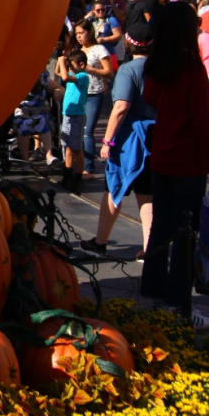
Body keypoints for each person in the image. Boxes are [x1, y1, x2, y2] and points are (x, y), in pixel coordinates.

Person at [139, 2, 209, 320]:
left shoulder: (157, 66)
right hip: (189, 165)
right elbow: (205, 128)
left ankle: (153, 296)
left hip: (161, 159)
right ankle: (179, 305)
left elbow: (149, 99)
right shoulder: (191, 69)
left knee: (160, 229)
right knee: (185, 235)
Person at [92, 37, 155, 254]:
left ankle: (100, 242)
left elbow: (120, 107)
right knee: (147, 194)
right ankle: (150, 248)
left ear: (128, 45)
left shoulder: (129, 69)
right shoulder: (160, 67)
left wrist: (107, 141)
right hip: (156, 136)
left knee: (114, 186)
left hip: (131, 139)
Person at [73, 19, 113, 173]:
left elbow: (109, 72)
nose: (78, 36)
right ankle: (77, 164)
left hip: (93, 94)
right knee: (77, 131)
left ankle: (88, 168)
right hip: (78, 94)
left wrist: (89, 69)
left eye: (81, 33)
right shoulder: (77, 51)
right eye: (76, 33)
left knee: (87, 131)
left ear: (89, 32)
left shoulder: (99, 49)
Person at [56, 48, 89, 193]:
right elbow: (58, 73)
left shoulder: (82, 76)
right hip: (68, 115)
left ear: (81, 64)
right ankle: (67, 175)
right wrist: (59, 60)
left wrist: (63, 62)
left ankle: (78, 178)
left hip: (77, 116)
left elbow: (63, 77)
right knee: (68, 147)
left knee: (77, 149)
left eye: (71, 65)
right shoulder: (71, 74)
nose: (68, 68)